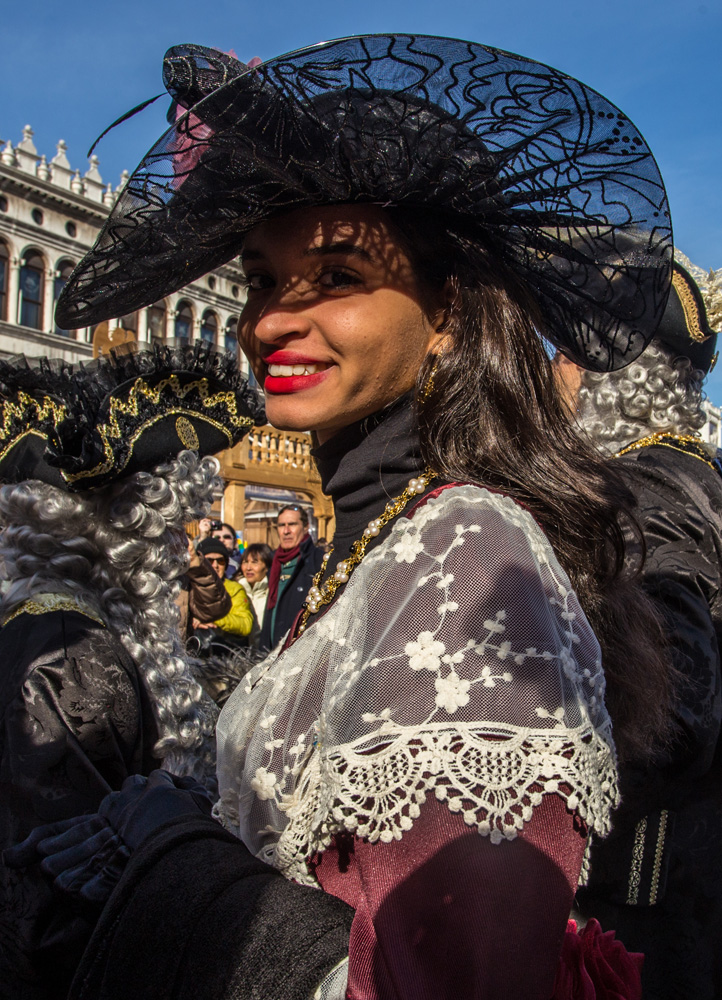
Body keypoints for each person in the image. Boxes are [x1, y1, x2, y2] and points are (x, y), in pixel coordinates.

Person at [16, 36, 676, 999]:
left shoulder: (465, 547)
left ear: (447, 310)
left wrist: (178, 857)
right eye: (261, 278)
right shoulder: (377, 541)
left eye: (335, 276)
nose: (275, 319)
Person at [0, 345, 263, 999]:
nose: (181, 550)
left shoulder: (52, 623)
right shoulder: (71, 658)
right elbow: (71, 917)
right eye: (174, 531)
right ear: (127, 529)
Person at [556, 261, 722, 999]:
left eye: (564, 353)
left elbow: (678, 707)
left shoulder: (645, 486)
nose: (553, 371)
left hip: (644, 899)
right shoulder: (691, 470)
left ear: (607, 374)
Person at [260, 505, 324, 651]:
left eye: (292, 524)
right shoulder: (271, 562)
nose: (286, 531)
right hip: (268, 652)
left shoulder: (317, 562)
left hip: (299, 652)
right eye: (282, 525)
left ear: (306, 527)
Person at [176, 533, 233, 638]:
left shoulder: (187, 576)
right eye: (209, 561)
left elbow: (214, 610)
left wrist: (195, 563)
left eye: (220, 561)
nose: (215, 565)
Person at [238, 542, 273, 642]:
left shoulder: (272, 594)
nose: (248, 568)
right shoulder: (235, 591)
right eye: (245, 562)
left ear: (266, 566)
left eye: (254, 562)